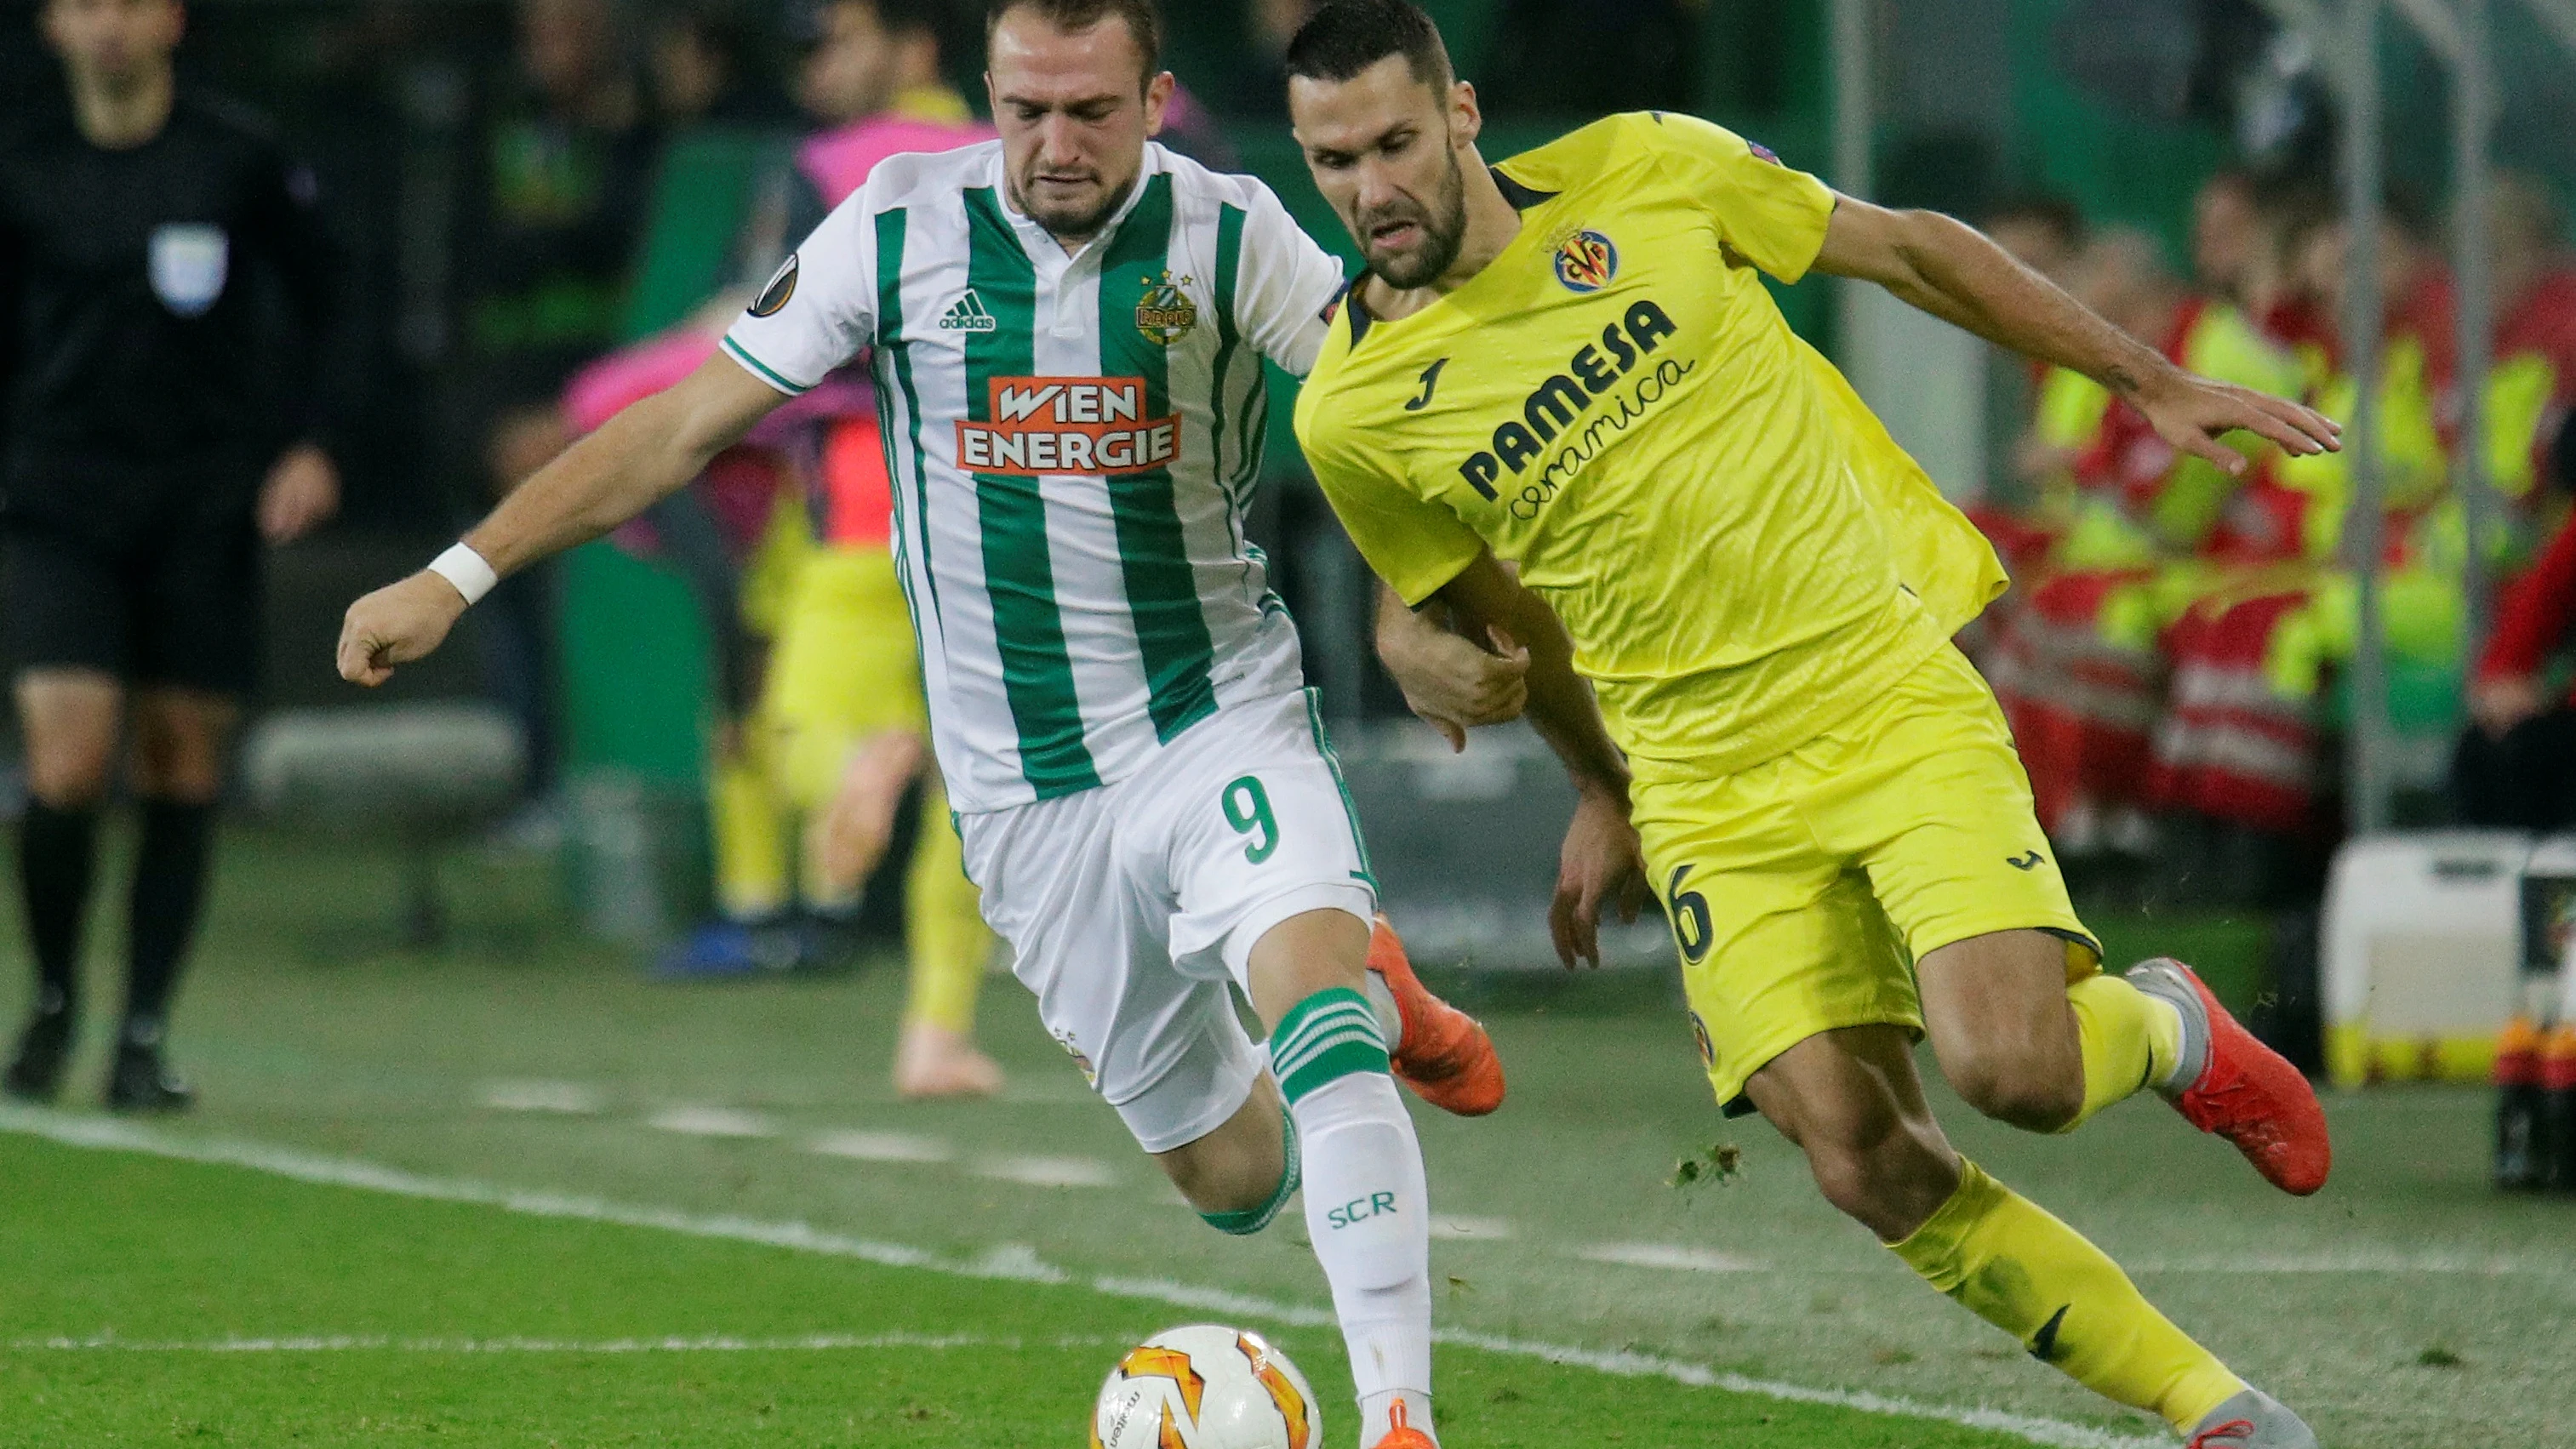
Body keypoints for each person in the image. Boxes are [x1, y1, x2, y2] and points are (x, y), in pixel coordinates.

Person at [338, 3, 1498, 1445]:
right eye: (1026, 110)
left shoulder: (1231, 232)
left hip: (1215, 721)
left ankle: (1400, 1413)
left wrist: (1416, 606)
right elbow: (684, 423)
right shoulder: (891, 232)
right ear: (989, 96)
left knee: (1314, 1019)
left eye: (1091, 111)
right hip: (1026, 798)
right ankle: (1366, 980)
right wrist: (458, 573)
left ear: (1158, 99)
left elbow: (1394, 412)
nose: (1055, 145)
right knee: (1236, 1182)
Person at [1282, 4, 2339, 1445]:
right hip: (1703, 783)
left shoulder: (1645, 170)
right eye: (1333, 161)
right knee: (1860, 1156)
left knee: (2014, 1071)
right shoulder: (1352, 412)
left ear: (1460, 114)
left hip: (1874, 688)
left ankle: (2160, 1026)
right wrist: (1601, 787)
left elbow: (1902, 245)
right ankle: (2213, 1408)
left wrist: (2141, 378)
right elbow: (1499, 614)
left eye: (1396, 142)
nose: (1370, 189)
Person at [0, 0, 344, 1110]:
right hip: (58, 494)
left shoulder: (234, 156)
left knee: (180, 764)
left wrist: (311, 441)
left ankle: (142, 1034)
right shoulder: (21, 158)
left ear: (172, 21)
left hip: (202, 498)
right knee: (64, 765)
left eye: (130, 3)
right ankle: (55, 999)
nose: (109, 26)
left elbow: (332, 295)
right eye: (86, 4)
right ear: (53, 26)